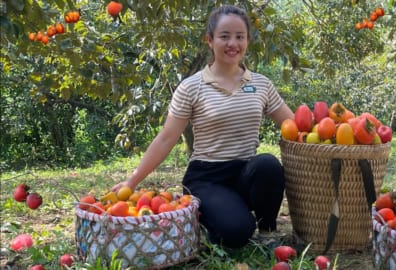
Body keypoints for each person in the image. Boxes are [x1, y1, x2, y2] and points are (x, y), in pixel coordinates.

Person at [111, 4, 294, 249]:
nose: (233, 43)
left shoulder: (261, 84)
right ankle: (214, 216)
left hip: (245, 174)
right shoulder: (191, 87)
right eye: (224, 36)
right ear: (210, 40)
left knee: (267, 164)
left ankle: (268, 230)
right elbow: (166, 138)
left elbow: (293, 127)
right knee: (236, 233)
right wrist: (131, 182)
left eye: (240, 37)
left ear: (248, 40)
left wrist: (334, 134)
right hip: (208, 178)